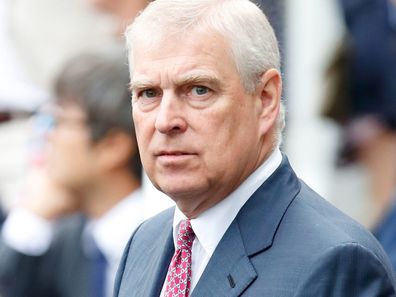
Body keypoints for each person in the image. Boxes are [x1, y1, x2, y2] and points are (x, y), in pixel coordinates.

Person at [114, 0, 396, 296]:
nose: (165, 121)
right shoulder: (144, 243)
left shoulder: (335, 261)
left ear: (266, 99)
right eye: (148, 93)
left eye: (199, 90)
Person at [0, 48, 147, 297]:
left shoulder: (169, 242)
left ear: (112, 146)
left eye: (57, 121)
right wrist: (30, 219)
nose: (45, 135)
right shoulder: (70, 238)